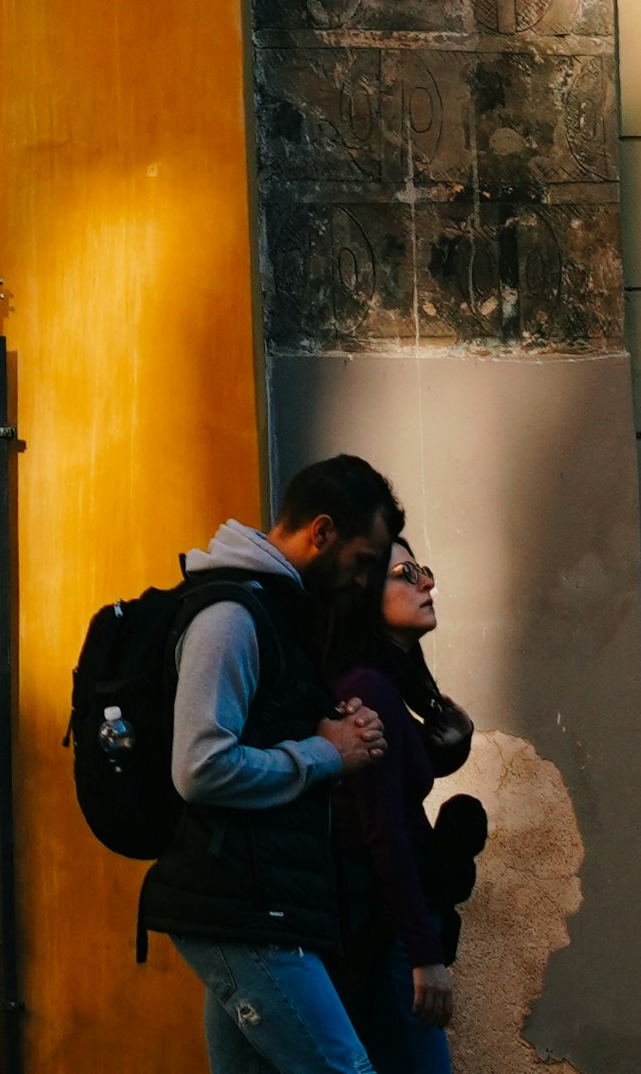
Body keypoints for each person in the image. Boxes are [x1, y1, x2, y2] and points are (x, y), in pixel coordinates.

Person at [145, 459, 403, 1074]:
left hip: (261, 901)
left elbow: (267, 733)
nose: (367, 582)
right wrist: (325, 752)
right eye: (364, 561)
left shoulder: (281, 615)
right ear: (321, 533)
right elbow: (199, 765)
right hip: (242, 908)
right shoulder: (230, 616)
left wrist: (332, 729)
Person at [320, 531, 475, 1074]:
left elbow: (384, 796)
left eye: (423, 570)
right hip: (387, 935)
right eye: (406, 575)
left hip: (384, 929)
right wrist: (424, 952)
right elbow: (382, 828)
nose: (426, 582)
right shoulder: (372, 687)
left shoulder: (384, 681)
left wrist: (437, 755)